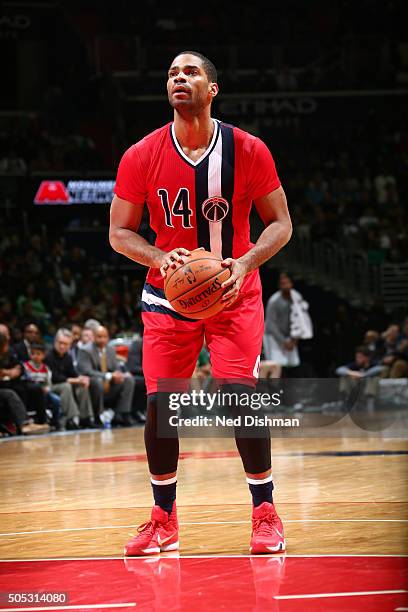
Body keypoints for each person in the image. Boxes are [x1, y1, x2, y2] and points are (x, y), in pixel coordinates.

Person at [110, 51, 292, 556]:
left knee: (239, 398)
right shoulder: (140, 155)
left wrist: (245, 262)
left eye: (190, 72)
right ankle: (162, 519)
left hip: (233, 289)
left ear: (213, 89)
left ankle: (265, 512)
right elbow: (119, 233)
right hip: (168, 297)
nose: (178, 79)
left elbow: (281, 223)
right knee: (160, 407)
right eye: (171, 73)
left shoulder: (248, 149)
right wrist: (159, 256)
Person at [77, 325, 135, 426]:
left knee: (128, 380)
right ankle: (97, 416)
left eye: (105, 336)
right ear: (94, 337)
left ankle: (121, 414)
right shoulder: (85, 350)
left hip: (110, 387)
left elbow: (116, 369)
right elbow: (87, 371)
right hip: (92, 387)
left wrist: (119, 375)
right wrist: (108, 375)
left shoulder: (110, 350)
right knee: (97, 381)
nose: (102, 339)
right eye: (99, 336)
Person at [263, 272, 313, 376]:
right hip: (272, 336)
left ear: (291, 283)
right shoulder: (274, 301)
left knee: (292, 364)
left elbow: (301, 320)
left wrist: (294, 341)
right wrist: (283, 342)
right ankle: (273, 390)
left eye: (287, 282)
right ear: (279, 285)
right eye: (282, 283)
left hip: (290, 337)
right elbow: (271, 324)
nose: (285, 285)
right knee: (275, 366)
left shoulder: (297, 298)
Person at [45, 329, 94, 429]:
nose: (62, 346)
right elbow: (54, 377)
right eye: (60, 343)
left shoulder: (67, 357)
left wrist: (82, 378)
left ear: (70, 345)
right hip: (50, 386)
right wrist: (73, 380)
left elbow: (73, 373)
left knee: (82, 385)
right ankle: (69, 419)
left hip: (64, 383)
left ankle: (85, 418)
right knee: (66, 387)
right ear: (55, 342)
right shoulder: (48, 356)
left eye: (66, 344)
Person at [23, 343, 61, 428]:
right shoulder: (26, 367)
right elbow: (25, 382)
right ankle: (42, 420)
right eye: (33, 353)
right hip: (32, 393)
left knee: (56, 400)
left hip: (45, 392)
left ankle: (54, 423)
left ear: (43, 355)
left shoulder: (46, 368)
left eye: (38, 354)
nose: (35, 356)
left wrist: (47, 389)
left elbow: (49, 383)